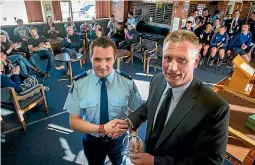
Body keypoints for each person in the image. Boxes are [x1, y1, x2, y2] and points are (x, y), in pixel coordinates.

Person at [112, 30, 229, 165]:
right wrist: (130, 122)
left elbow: (210, 162)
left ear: (196, 61)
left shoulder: (215, 107)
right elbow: (150, 105)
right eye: (167, 58)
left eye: (182, 60)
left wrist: (155, 161)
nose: (172, 68)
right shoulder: (157, 80)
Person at [63, 36, 142, 165]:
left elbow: (136, 114)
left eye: (108, 59)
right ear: (90, 58)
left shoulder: (127, 82)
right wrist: (103, 128)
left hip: (119, 140)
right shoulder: (79, 83)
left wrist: (133, 137)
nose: (103, 65)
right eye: (97, 59)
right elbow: (73, 122)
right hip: (92, 140)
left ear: (114, 59)